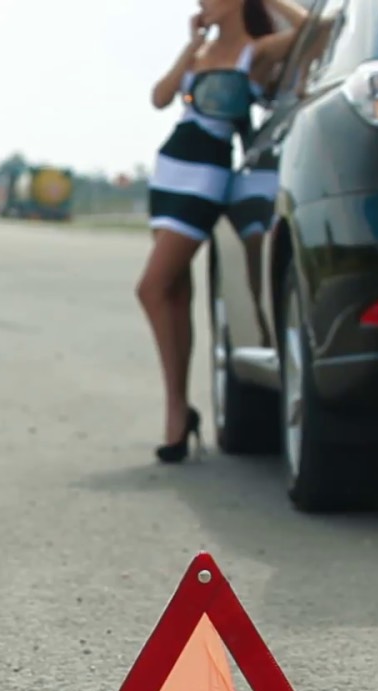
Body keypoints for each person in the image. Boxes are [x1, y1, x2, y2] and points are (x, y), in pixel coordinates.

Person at [138, 0, 306, 463]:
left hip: (209, 174)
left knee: (149, 288)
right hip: (170, 168)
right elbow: (160, 96)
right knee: (173, 291)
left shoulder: (259, 50)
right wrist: (192, 43)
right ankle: (177, 412)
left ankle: (177, 409)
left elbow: (315, 31)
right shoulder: (200, 51)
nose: (202, 3)